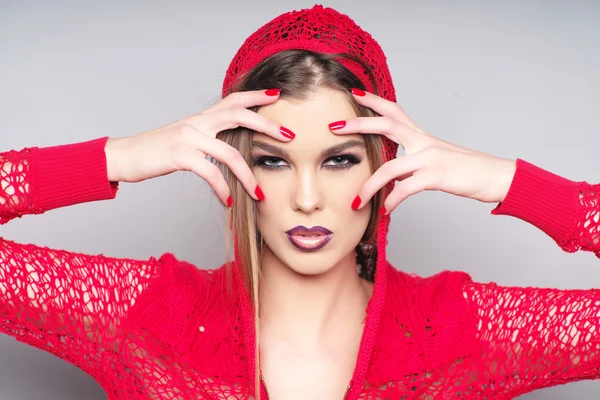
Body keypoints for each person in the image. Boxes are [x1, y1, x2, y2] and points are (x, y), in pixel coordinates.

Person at [0, 4, 598, 400]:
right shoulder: (148, 317)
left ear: (383, 163)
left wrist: (507, 182)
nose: (307, 199)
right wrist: (116, 159)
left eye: (339, 159)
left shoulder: (459, 331)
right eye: (273, 160)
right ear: (235, 162)